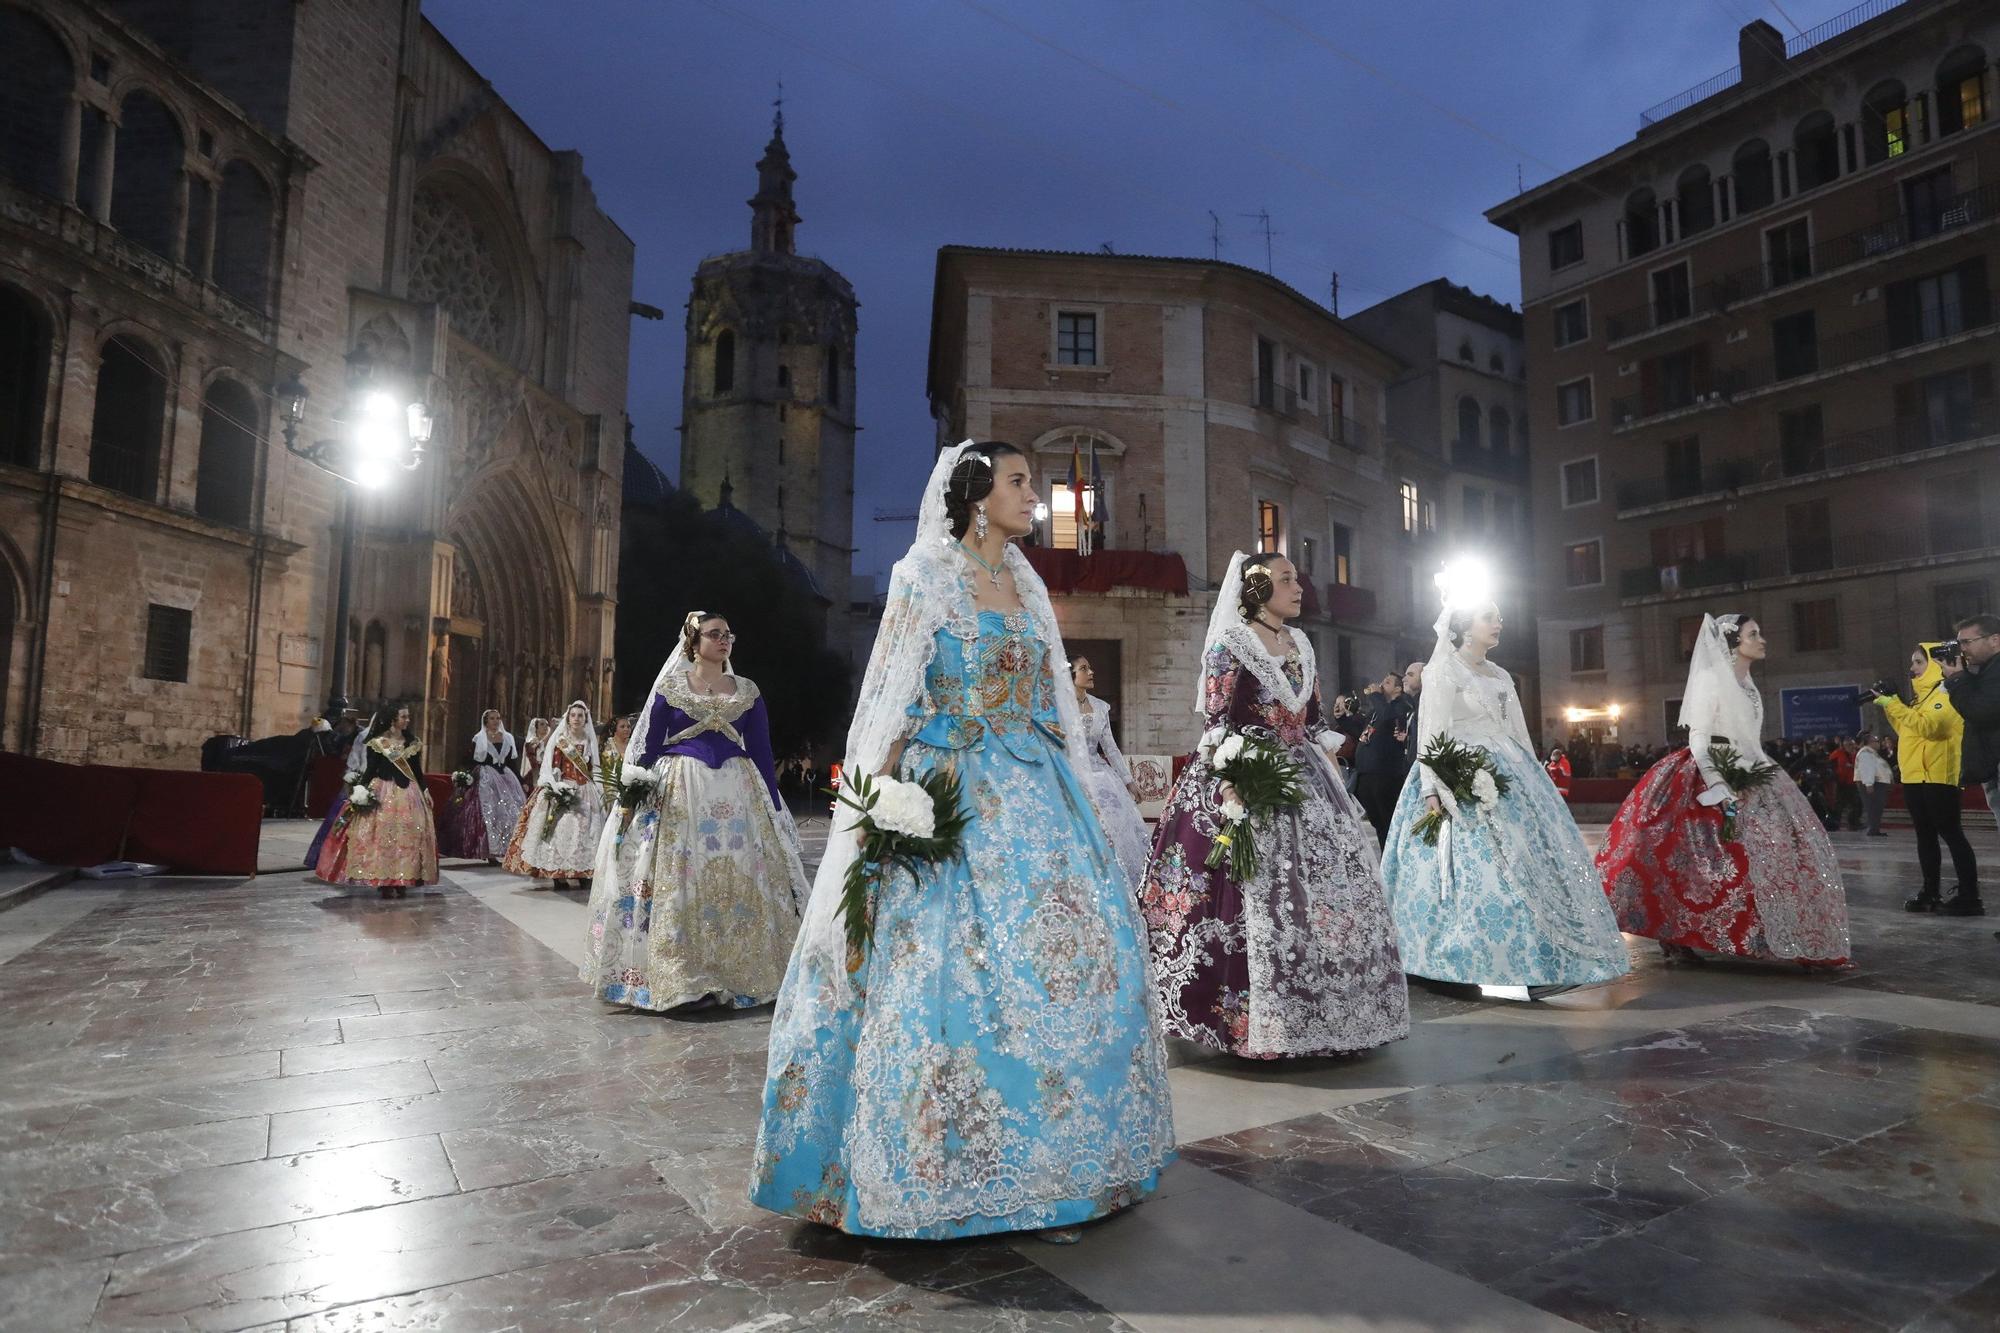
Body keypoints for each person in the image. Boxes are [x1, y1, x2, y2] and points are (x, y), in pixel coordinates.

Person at [751, 440, 1173, 1242]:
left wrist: (1079, 793)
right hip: (957, 792)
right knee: (950, 979)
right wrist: (877, 804)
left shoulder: (1025, 583)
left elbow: (1053, 698)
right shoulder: (925, 576)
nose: (1032, 498)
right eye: (1020, 483)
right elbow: (890, 698)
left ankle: (1067, 1163)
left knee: (1074, 964)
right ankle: (946, 1172)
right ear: (977, 496)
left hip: (1040, 790)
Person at [1139, 551, 1408, 1058]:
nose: (1299, 587)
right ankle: (1247, 1018)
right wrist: (1229, 783)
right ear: (1258, 587)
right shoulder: (1231, 642)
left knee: (1319, 893)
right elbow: (1216, 720)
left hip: (1303, 774)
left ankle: (1324, 1010)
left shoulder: (1301, 642)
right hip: (1246, 768)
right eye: (1287, 579)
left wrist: (1334, 750)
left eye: (1297, 579)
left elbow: (1311, 718)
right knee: (1247, 892)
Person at [1379, 587, 1628, 996]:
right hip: (1457, 775)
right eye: (1487, 616)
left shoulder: (1501, 675)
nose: (1498, 622)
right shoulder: (1443, 671)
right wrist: (1433, 790)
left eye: (1498, 616)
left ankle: (1543, 962)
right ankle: (1444, 963)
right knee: (1478, 875)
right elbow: (1431, 736)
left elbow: (1518, 735)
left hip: (1510, 776)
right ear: (1462, 626)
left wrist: (1536, 782)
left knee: (1530, 865)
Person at [584, 612, 809, 1012]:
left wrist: (775, 808)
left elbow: (760, 750)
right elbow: (650, 746)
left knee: (738, 876)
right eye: (714, 634)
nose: (724, 640)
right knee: (681, 877)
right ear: (694, 641)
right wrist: (632, 796)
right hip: (680, 791)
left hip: (738, 793)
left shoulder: (747, 691)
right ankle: (682, 979)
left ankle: (740, 972)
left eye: (728, 635)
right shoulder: (671, 688)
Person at [1599, 614, 1850, 967]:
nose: (1762, 640)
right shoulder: (1711, 680)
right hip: (1707, 770)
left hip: (1750, 766)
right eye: (1753, 634)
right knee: (1694, 859)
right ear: (1733, 644)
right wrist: (1718, 781)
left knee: (1770, 850)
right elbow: (1698, 739)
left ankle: (1771, 932)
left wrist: (1766, 773)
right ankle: (1679, 933)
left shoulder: (1749, 685)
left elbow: (1750, 740)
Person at [1878, 642, 1980, 915]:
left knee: (1951, 834)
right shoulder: (1919, 699)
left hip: (1939, 775)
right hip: (1914, 775)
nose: (1912, 669)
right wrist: (1892, 705)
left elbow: (1931, 728)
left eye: (1918, 662)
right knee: (1925, 836)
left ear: (1935, 664)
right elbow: (1907, 729)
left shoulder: (1946, 694)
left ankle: (1971, 897)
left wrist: (1895, 705)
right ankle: (1930, 892)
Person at [314, 701, 437, 899]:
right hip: (383, 792)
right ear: (392, 720)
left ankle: (403, 879)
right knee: (383, 839)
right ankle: (385, 881)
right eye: (404, 716)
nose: (407, 720)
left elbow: (417, 772)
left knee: (407, 838)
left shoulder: (412, 742)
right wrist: (360, 791)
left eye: (407, 717)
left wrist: (426, 791)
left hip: (408, 794)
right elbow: (370, 770)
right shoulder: (378, 743)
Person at [503, 701, 606, 890]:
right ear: (568, 718)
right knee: (562, 829)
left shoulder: (589, 741)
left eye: (580, 716)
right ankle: (558, 874)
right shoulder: (560, 739)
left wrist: (599, 790)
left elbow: (593, 768)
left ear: (585, 719)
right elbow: (552, 765)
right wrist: (555, 786)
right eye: (573, 715)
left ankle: (583, 871)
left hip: (585, 789)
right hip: (563, 785)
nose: (576, 719)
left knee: (585, 831)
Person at [1071, 655, 1152, 892]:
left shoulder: (1099, 707)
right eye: (1084, 669)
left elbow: (1111, 748)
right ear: (1071, 676)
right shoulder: (1059, 705)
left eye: (1090, 667)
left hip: (1100, 774)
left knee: (1117, 823)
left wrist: (1128, 781)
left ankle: (1120, 885)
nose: (1091, 672)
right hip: (1071, 775)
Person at [1942, 614, 2000, 849]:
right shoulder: (1985, 671)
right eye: (1959, 643)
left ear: (1995, 639)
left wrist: (1956, 680)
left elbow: (1979, 710)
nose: (1962, 648)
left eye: (1967, 642)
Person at [440, 710, 527, 863]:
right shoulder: (479, 738)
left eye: (498, 718)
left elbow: (512, 763)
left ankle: (510, 849)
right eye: (492, 718)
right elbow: (468, 760)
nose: (495, 721)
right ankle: (489, 851)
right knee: (489, 813)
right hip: (486, 778)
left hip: (506, 777)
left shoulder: (507, 738)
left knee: (510, 812)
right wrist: (464, 774)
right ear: (485, 721)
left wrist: (521, 781)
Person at [304, 708, 376, 869]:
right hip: (361, 787)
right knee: (344, 824)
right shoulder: (366, 737)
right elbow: (356, 762)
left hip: (368, 786)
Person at [1353, 670, 1413, 844]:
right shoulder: (1377, 710)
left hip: (1385, 774)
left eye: (1387, 682)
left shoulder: (1402, 705)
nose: (1380, 685)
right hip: (1367, 773)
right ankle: (1385, 863)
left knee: (1389, 822)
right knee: (1378, 823)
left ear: (1397, 689)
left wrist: (1376, 697)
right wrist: (1343, 719)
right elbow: (1362, 734)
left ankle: (1394, 861)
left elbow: (1389, 717)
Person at [1856, 734, 1893, 838]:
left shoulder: (1872, 753)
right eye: (1876, 741)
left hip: (1877, 783)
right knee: (1873, 807)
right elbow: (1867, 768)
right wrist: (1869, 784)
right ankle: (1872, 829)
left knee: (1876, 808)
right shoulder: (1866, 753)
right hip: (1873, 784)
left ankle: (1874, 829)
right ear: (1870, 743)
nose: (1878, 743)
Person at [520, 717, 551, 782]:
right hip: (535, 773)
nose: (545, 726)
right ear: (536, 728)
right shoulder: (532, 742)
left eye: (547, 724)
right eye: (542, 724)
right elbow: (541, 746)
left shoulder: (551, 741)